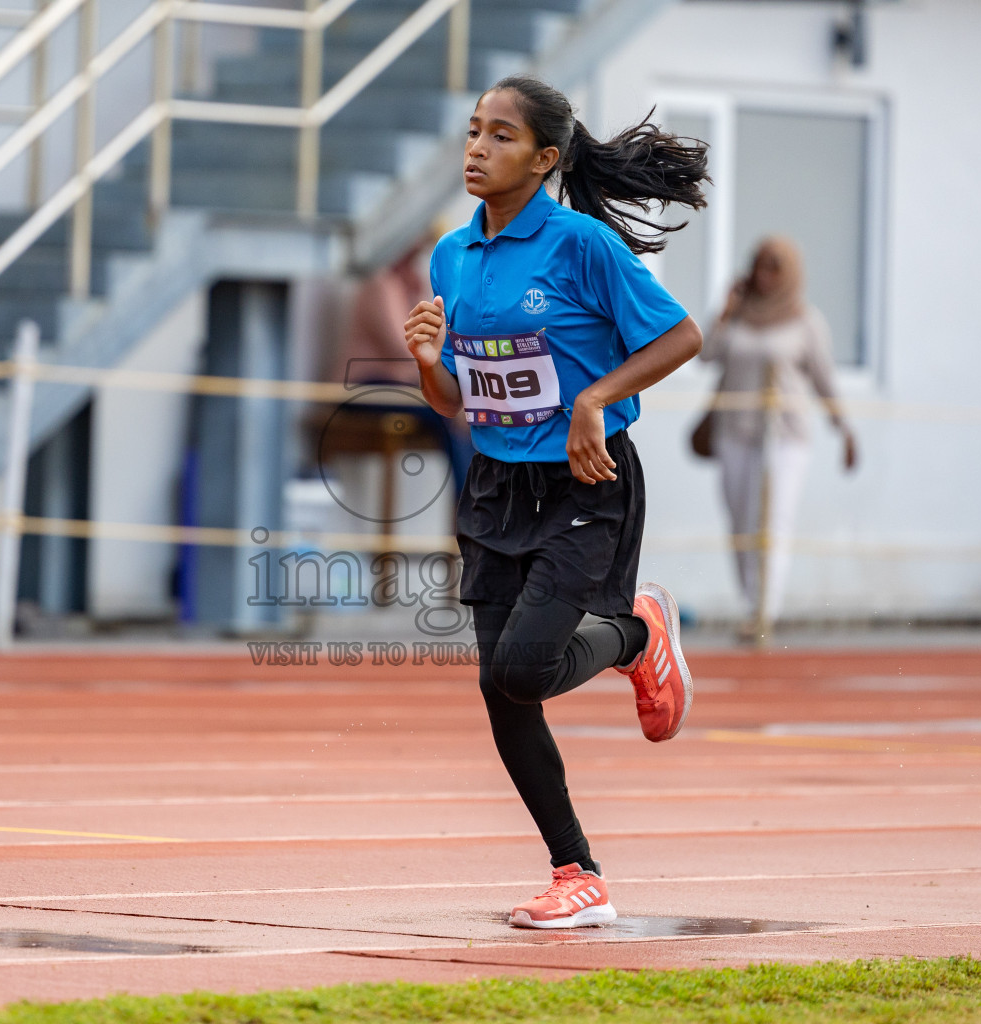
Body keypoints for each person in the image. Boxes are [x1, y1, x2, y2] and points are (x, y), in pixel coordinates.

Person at [403, 75, 706, 928]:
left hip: (587, 481)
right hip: (497, 486)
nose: (476, 148)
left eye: (499, 137)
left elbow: (682, 334)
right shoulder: (450, 255)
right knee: (504, 694)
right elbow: (460, 401)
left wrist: (593, 400)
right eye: (471, 131)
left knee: (525, 667)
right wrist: (431, 365)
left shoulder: (582, 246)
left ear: (543, 159)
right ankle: (578, 874)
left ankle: (641, 631)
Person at [700, 237, 856, 637]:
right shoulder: (738, 315)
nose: (765, 277)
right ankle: (751, 601)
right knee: (739, 519)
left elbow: (824, 380)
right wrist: (726, 309)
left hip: (785, 435)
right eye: (759, 267)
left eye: (774, 268)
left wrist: (845, 429)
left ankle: (762, 611)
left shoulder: (806, 321)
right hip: (734, 431)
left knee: (773, 519)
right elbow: (706, 355)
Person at [328, 230, 475, 495]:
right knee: (444, 410)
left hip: (392, 385)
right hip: (363, 388)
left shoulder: (401, 283)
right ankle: (465, 497)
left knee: (455, 409)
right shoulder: (380, 283)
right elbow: (407, 347)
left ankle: (470, 495)